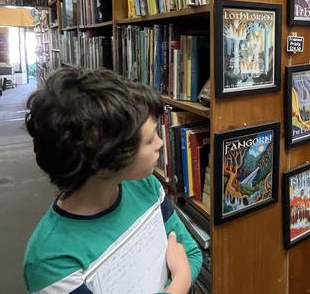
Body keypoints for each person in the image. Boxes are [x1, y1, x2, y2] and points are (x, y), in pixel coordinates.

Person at [23, 67, 202, 293]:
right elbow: (185, 263)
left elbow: (192, 253)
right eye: (149, 140)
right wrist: (180, 279)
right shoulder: (51, 258)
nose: (160, 143)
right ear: (107, 159)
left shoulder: (145, 186)